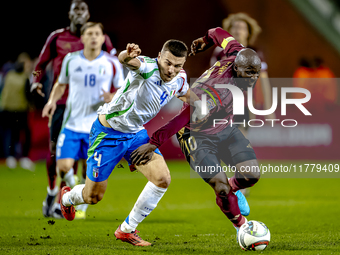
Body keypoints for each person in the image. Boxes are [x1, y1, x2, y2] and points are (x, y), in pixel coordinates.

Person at [60, 39, 208, 246]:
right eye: (167, 63)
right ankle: (67, 198)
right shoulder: (147, 67)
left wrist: (208, 105)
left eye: (177, 65)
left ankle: (126, 229)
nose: (171, 70)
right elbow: (127, 60)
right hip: (108, 133)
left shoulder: (180, 79)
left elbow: (188, 96)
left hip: (135, 135)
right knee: (92, 197)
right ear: (159, 57)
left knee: (162, 178)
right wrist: (127, 54)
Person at [130, 27, 262, 239]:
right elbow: (185, 116)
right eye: (249, 73)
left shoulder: (237, 51)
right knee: (219, 187)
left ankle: (232, 188)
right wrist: (154, 142)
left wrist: (205, 40)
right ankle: (242, 227)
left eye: (256, 73)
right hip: (195, 134)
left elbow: (219, 32)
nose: (253, 78)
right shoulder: (216, 90)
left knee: (251, 175)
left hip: (223, 127)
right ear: (237, 68)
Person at [31, 0, 115, 218]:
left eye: (82, 9)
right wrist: (35, 81)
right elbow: (39, 66)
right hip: (62, 104)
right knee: (55, 153)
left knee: (84, 157)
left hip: (93, 107)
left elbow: (116, 63)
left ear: (88, 14)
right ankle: (52, 191)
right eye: (75, 10)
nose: (78, 13)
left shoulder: (100, 39)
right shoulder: (57, 38)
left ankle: (69, 199)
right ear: (69, 14)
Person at [211, 13, 274, 135]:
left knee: (239, 140)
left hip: (244, 104)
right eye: (235, 27)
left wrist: (269, 108)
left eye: (242, 28)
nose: (238, 31)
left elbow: (264, 81)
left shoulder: (255, 54)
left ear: (248, 33)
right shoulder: (219, 52)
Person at [1, 53, 34, 171]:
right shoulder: (24, 77)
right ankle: (24, 157)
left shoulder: (9, 75)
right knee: (25, 133)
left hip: (7, 108)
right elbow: (27, 94)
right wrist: (32, 105)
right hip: (20, 109)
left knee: (11, 134)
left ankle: (10, 157)